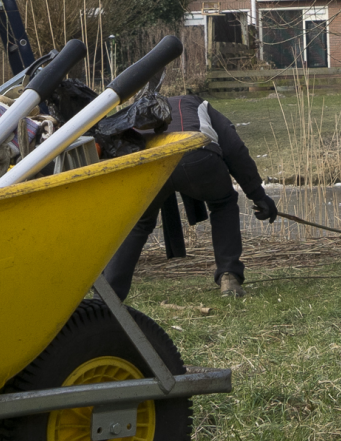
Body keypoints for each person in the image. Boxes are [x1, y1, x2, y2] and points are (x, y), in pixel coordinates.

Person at [101, 94, 277, 300]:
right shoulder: (199, 104)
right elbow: (234, 149)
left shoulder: (136, 112)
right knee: (223, 204)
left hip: (149, 166)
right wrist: (258, 196)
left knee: (139, 223)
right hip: (196, 157)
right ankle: (229, 277)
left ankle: (109, 296)